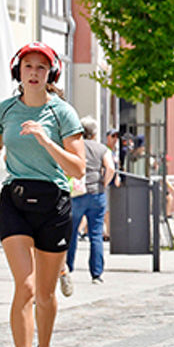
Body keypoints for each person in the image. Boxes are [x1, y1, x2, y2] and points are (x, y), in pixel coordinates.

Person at [0, 42, 85, 347]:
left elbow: (77, 168)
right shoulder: (5, 110)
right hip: (14, 201)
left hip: (53, 203)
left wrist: (46, 142)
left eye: (41, 67)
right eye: (28, 65)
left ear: (51, 73)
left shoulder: (63, 114)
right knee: (24, 287)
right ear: (18, 70)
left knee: (44, 294)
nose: (34, 72)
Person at [65, 116, 114, 286]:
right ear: (94, 133)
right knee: (96, 234)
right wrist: (103, 184)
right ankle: (96, 274)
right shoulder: (102, 148)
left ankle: (68, 267)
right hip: (96, 193)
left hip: (76, 193)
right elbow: (111, 168)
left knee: (71, 232)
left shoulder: (74, 147)